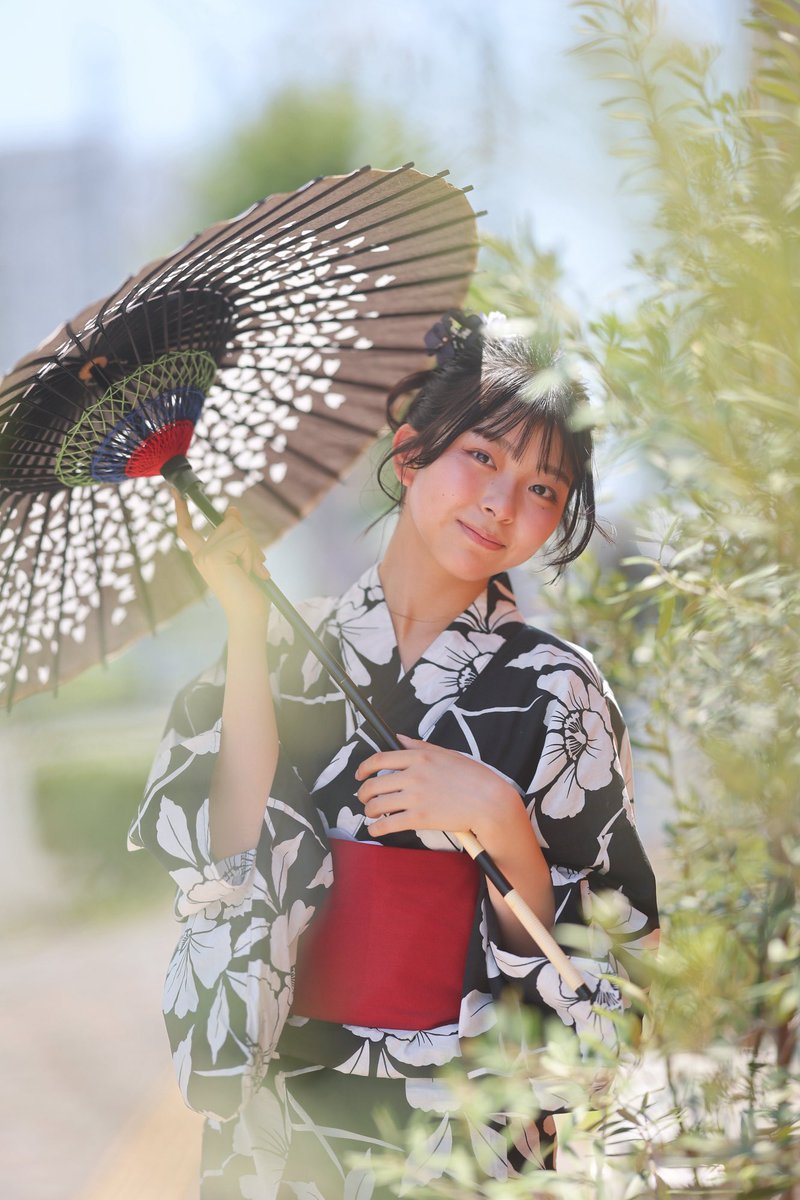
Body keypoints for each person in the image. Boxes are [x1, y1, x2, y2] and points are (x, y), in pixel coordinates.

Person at [129, 314, 659, 1198]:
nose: (501, 502)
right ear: (410, 454)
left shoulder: (558, 692)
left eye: (542, 488)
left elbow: (605, 957)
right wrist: (248, 629)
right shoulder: (286, 644)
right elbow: (231, 858)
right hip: (285, 1124)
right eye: (482, 458)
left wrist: (500, 823)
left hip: (467, 1131)